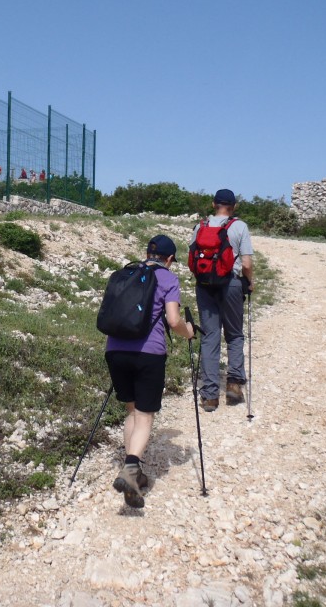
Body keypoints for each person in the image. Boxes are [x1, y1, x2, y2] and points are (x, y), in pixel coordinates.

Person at [105, 235, 195, 508]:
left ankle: (132, 469)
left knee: (132, 411)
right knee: (145, 416)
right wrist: (188, 332)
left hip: (115, 350)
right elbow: (173, 319)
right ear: (169, 259)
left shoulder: (126, 272)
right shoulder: (168, 279)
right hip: (149, 353)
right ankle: (131, 468)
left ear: (146, 253)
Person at [193, 189, 254, 411]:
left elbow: (193, 259)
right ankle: (234, 385)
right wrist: (251, 282)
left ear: (213, 204)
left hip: (205, 285)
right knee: (235, 334)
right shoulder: (239, 226)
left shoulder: (201, 226)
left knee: (210, 336)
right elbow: (246, 264)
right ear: (234, 206)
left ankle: (210, 395)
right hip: (231, 284)